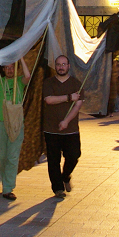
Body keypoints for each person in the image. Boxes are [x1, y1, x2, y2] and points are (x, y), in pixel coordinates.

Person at [42, 55, 83, 199]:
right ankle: (58, 188)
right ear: (55, 66)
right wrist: (68, 97)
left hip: (71, 129)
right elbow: (49, 99)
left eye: (64, 64)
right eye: (58, 64)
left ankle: (65, 176)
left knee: (74, 155)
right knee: (53, 160)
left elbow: (78, 105)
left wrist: (66, 121)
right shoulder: (48, 83)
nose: (61, 67)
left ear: (69, 66)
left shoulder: (77, 84)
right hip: (51, 128)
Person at [0, 58, 30, 201]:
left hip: (16, 123)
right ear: (2, 69)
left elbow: (28, 77)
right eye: (6, 67)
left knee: (12, 157)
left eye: (12, 67)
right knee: (1, 156)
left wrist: (21, 58)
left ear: (16, 68)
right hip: (1, 123)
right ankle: (5, 180)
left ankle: (8, 188)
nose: (9, 70)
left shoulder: (19, 81)